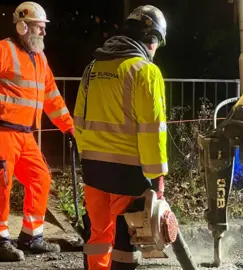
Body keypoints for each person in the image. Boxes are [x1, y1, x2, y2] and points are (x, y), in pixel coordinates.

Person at [0, 1, 74, 262]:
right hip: (1, 131)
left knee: (40, 178)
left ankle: (32, 236)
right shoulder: (2, 50)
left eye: (44, 28)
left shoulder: (40, 59)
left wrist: (70, 128)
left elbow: (52, 98)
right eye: (39, 27)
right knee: (1, 183)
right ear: (23, 27)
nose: (44, 32)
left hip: (24, 134)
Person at [73, 5, 168, 270]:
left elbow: (78, 122)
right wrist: (157, 177)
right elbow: (152, 131)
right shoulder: (145, 72)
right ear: (151, 40)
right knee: (127, 241)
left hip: (92, 170)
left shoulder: (92, 68)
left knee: (98, 236)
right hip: (129, 174)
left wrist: (88, 157)